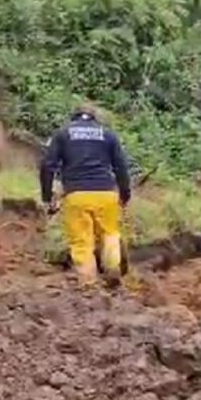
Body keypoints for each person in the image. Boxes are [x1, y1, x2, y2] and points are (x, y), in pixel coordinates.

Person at [40, 104, 132, 288]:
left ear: (73, 117)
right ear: (94, 118)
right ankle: (112, 268)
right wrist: (124, 193)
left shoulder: (63, 134)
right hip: (106, 193)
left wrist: (47, 195)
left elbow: (48, 166)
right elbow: (121, 166)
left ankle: (88, 283)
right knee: (110, 234)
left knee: (81, 241)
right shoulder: (108, 135)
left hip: (76, 194)